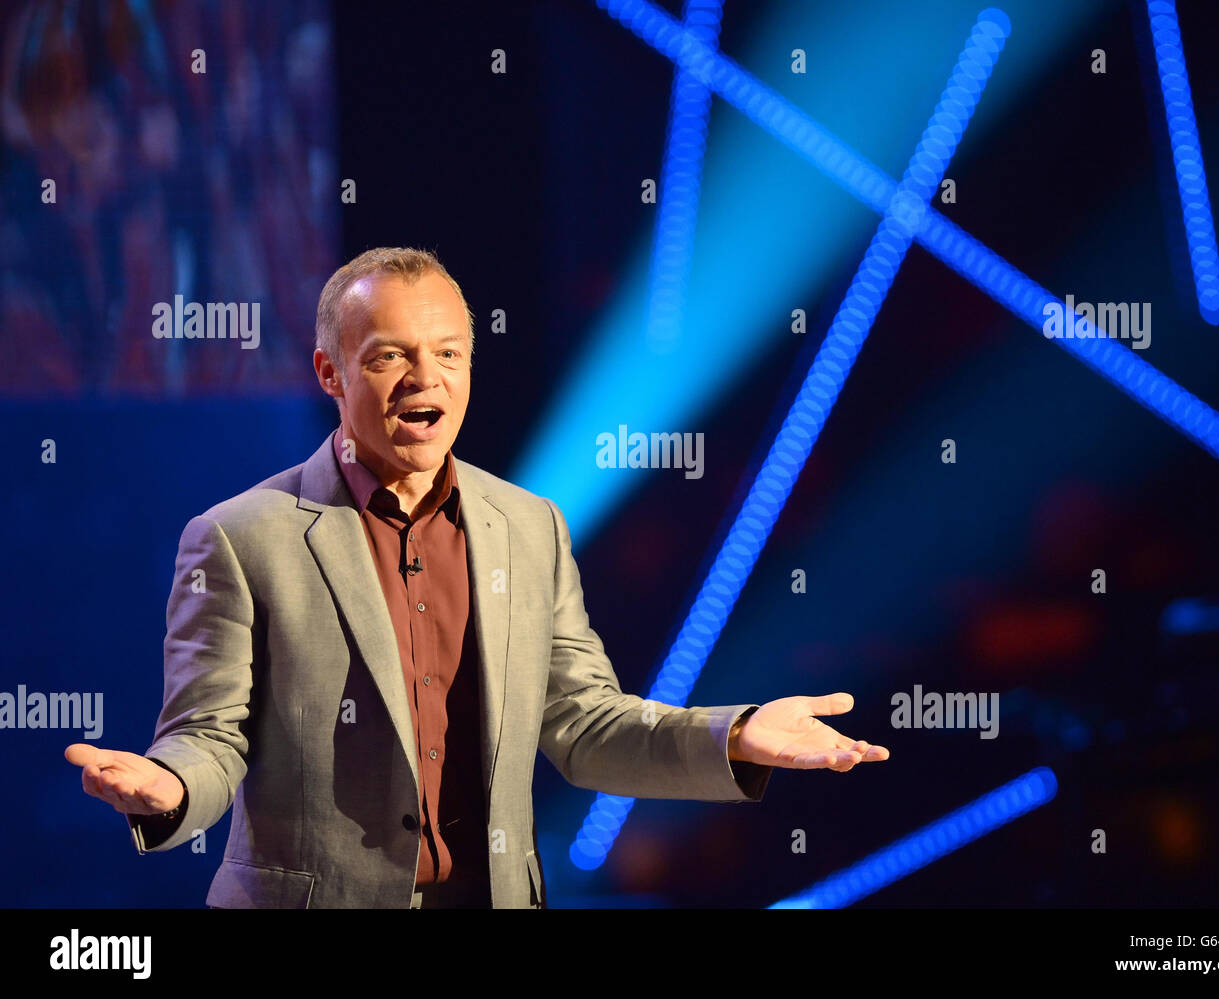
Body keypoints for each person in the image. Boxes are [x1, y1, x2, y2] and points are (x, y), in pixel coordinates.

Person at [65, 246, 890, 908]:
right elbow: (210, 736)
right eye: (390, 356)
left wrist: (735, 734)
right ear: (330, 372)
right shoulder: (239, 536)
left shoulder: (529, 525)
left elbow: (584, 724)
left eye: (448, 353)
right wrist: (168, 783)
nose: (426, 379)